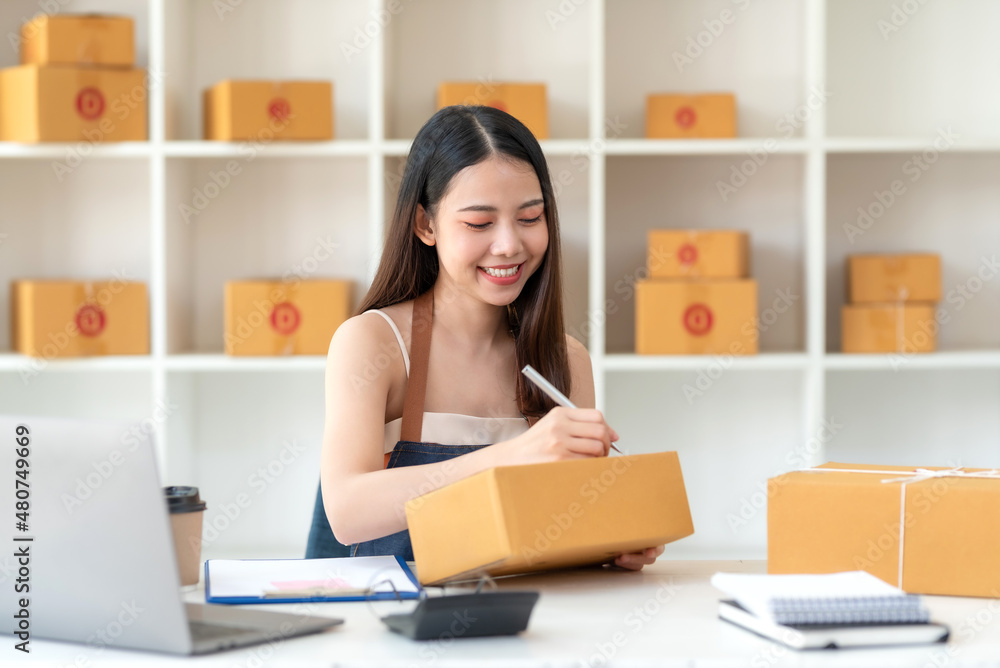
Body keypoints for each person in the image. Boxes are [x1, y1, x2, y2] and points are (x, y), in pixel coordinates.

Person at [311, 105, 664, 570]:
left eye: (530, 217)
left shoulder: (566, 359)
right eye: (479, 223)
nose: (509, 245)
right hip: (389, 625)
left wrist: (610, 537)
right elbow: (348, 512)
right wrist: (513, 456)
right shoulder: (373, 343)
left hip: (522, 621)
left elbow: (556, 532)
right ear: (426, 225)